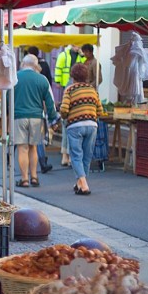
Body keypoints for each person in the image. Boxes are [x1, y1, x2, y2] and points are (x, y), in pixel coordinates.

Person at [13, 54, 58, 188]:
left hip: (19, 116)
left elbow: (8, 98)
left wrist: (7, 115)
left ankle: (24, 179)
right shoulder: (42, 79)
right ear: (36, 65)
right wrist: (52, 119)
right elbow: (50, 101)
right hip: (36, 117)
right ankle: (34, 177)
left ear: (23, 63)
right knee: (33, 147)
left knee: (22, 148)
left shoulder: (15, 78)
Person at [60, 63, 104, 196]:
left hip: (75, 126)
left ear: (72, 76)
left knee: (76, 156)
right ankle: (79, 183)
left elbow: (64, 109)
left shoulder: (70, 90)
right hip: (92, 125)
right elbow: (100, 110)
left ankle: (84, 185)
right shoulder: (92, 90)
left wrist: (65, 117)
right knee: (87, 156)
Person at [55, 45, 86, 168]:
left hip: (69, 112)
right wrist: (58, 81)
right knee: (71, 131)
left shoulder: (80, 56)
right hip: (65, 82)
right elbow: (59, 67)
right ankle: (68, 157)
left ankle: (65, 156)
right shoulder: (64, 55)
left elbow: (83, 64)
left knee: (66, 127)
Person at [26, 46, 53, 174]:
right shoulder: (43, 76)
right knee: (37, 141)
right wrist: (52, 115)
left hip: (21, 113)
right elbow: (48, 89)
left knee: (21, 145)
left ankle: (25, 176)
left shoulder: (19, 76)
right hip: (37, 111)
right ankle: (39, 168)